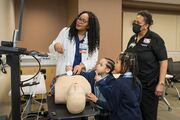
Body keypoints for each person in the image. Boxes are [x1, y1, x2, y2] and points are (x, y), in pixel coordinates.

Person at [125, 10, 168, 120]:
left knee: (148, 114)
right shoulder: (132, 38)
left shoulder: (155, 39)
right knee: (135, 113)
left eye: (138, 23)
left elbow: (163, 61)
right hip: (133, 83)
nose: (135, 24)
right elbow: (126, 56)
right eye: (134, 21)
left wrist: (161, 83)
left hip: (148, 86)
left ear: (146, 25)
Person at [49, 11, 100, 76]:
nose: (79, 22)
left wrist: (81, 66)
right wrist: (55, 46)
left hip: (81, 74)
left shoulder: (92, 39)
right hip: (65, 71)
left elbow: (93, 59)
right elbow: (51, 47)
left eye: (83, 21)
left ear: (89, 26)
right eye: (79, 19)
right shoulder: (66, 32)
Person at [109, 52, 142, 120]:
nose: (114, 65)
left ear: (124, 65)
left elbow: (112, 105)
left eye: (117, 62)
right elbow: (138, 100)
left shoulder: (119, 83)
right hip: (136, 116)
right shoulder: (137, 81)